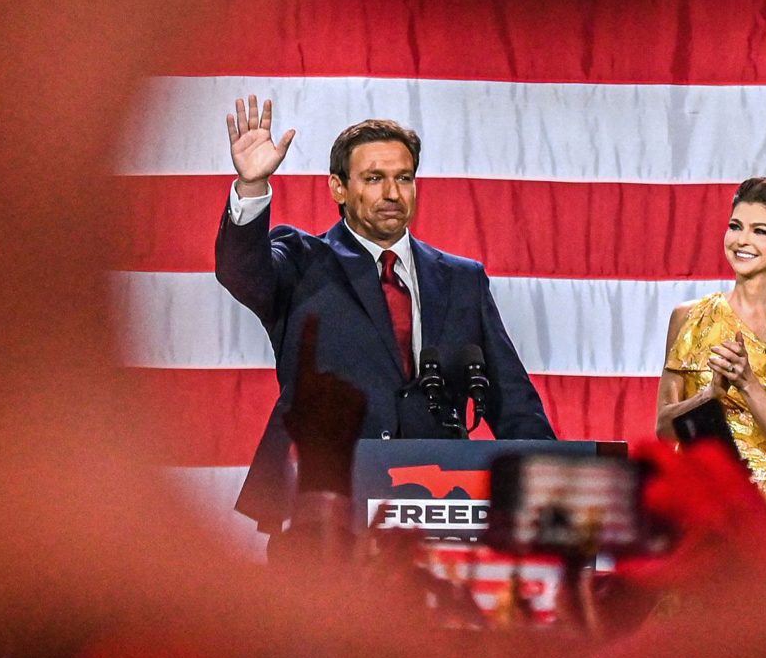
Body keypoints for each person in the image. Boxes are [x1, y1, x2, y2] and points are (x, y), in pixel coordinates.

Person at [216, 96, 555, 532]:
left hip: (436, 506)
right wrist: (251, 189)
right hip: (321, 504)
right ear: (338, 187)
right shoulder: (302, 261)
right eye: (374, 178)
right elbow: (241, 272)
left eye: (404, 178)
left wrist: (552, 488)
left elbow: (512, 400)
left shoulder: (460, 279)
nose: (392, 194)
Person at [653, 177, 766, 548]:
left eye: (760, 230)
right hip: (694, 509)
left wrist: (748, 383)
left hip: (762, 514)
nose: (741, 240)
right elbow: (663, 429)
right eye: (735, 226)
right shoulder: (688, 317)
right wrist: (710, 395)